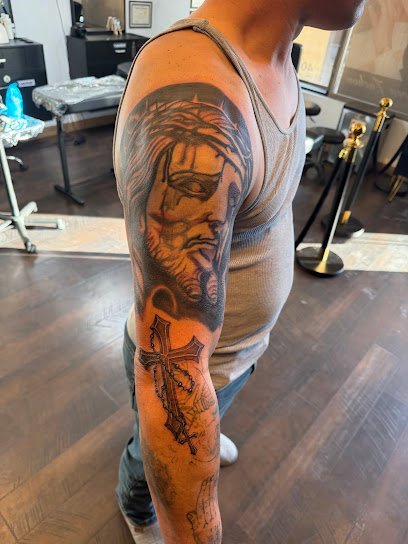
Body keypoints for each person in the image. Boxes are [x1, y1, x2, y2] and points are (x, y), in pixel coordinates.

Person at [113, 1, 367, 542]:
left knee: (213, 402)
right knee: (147, 448)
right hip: (190, 364)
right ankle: (137, 503)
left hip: (237, 355)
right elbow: (170, 371)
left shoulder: (276, 56)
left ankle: (210, 421)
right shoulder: (197, 86)